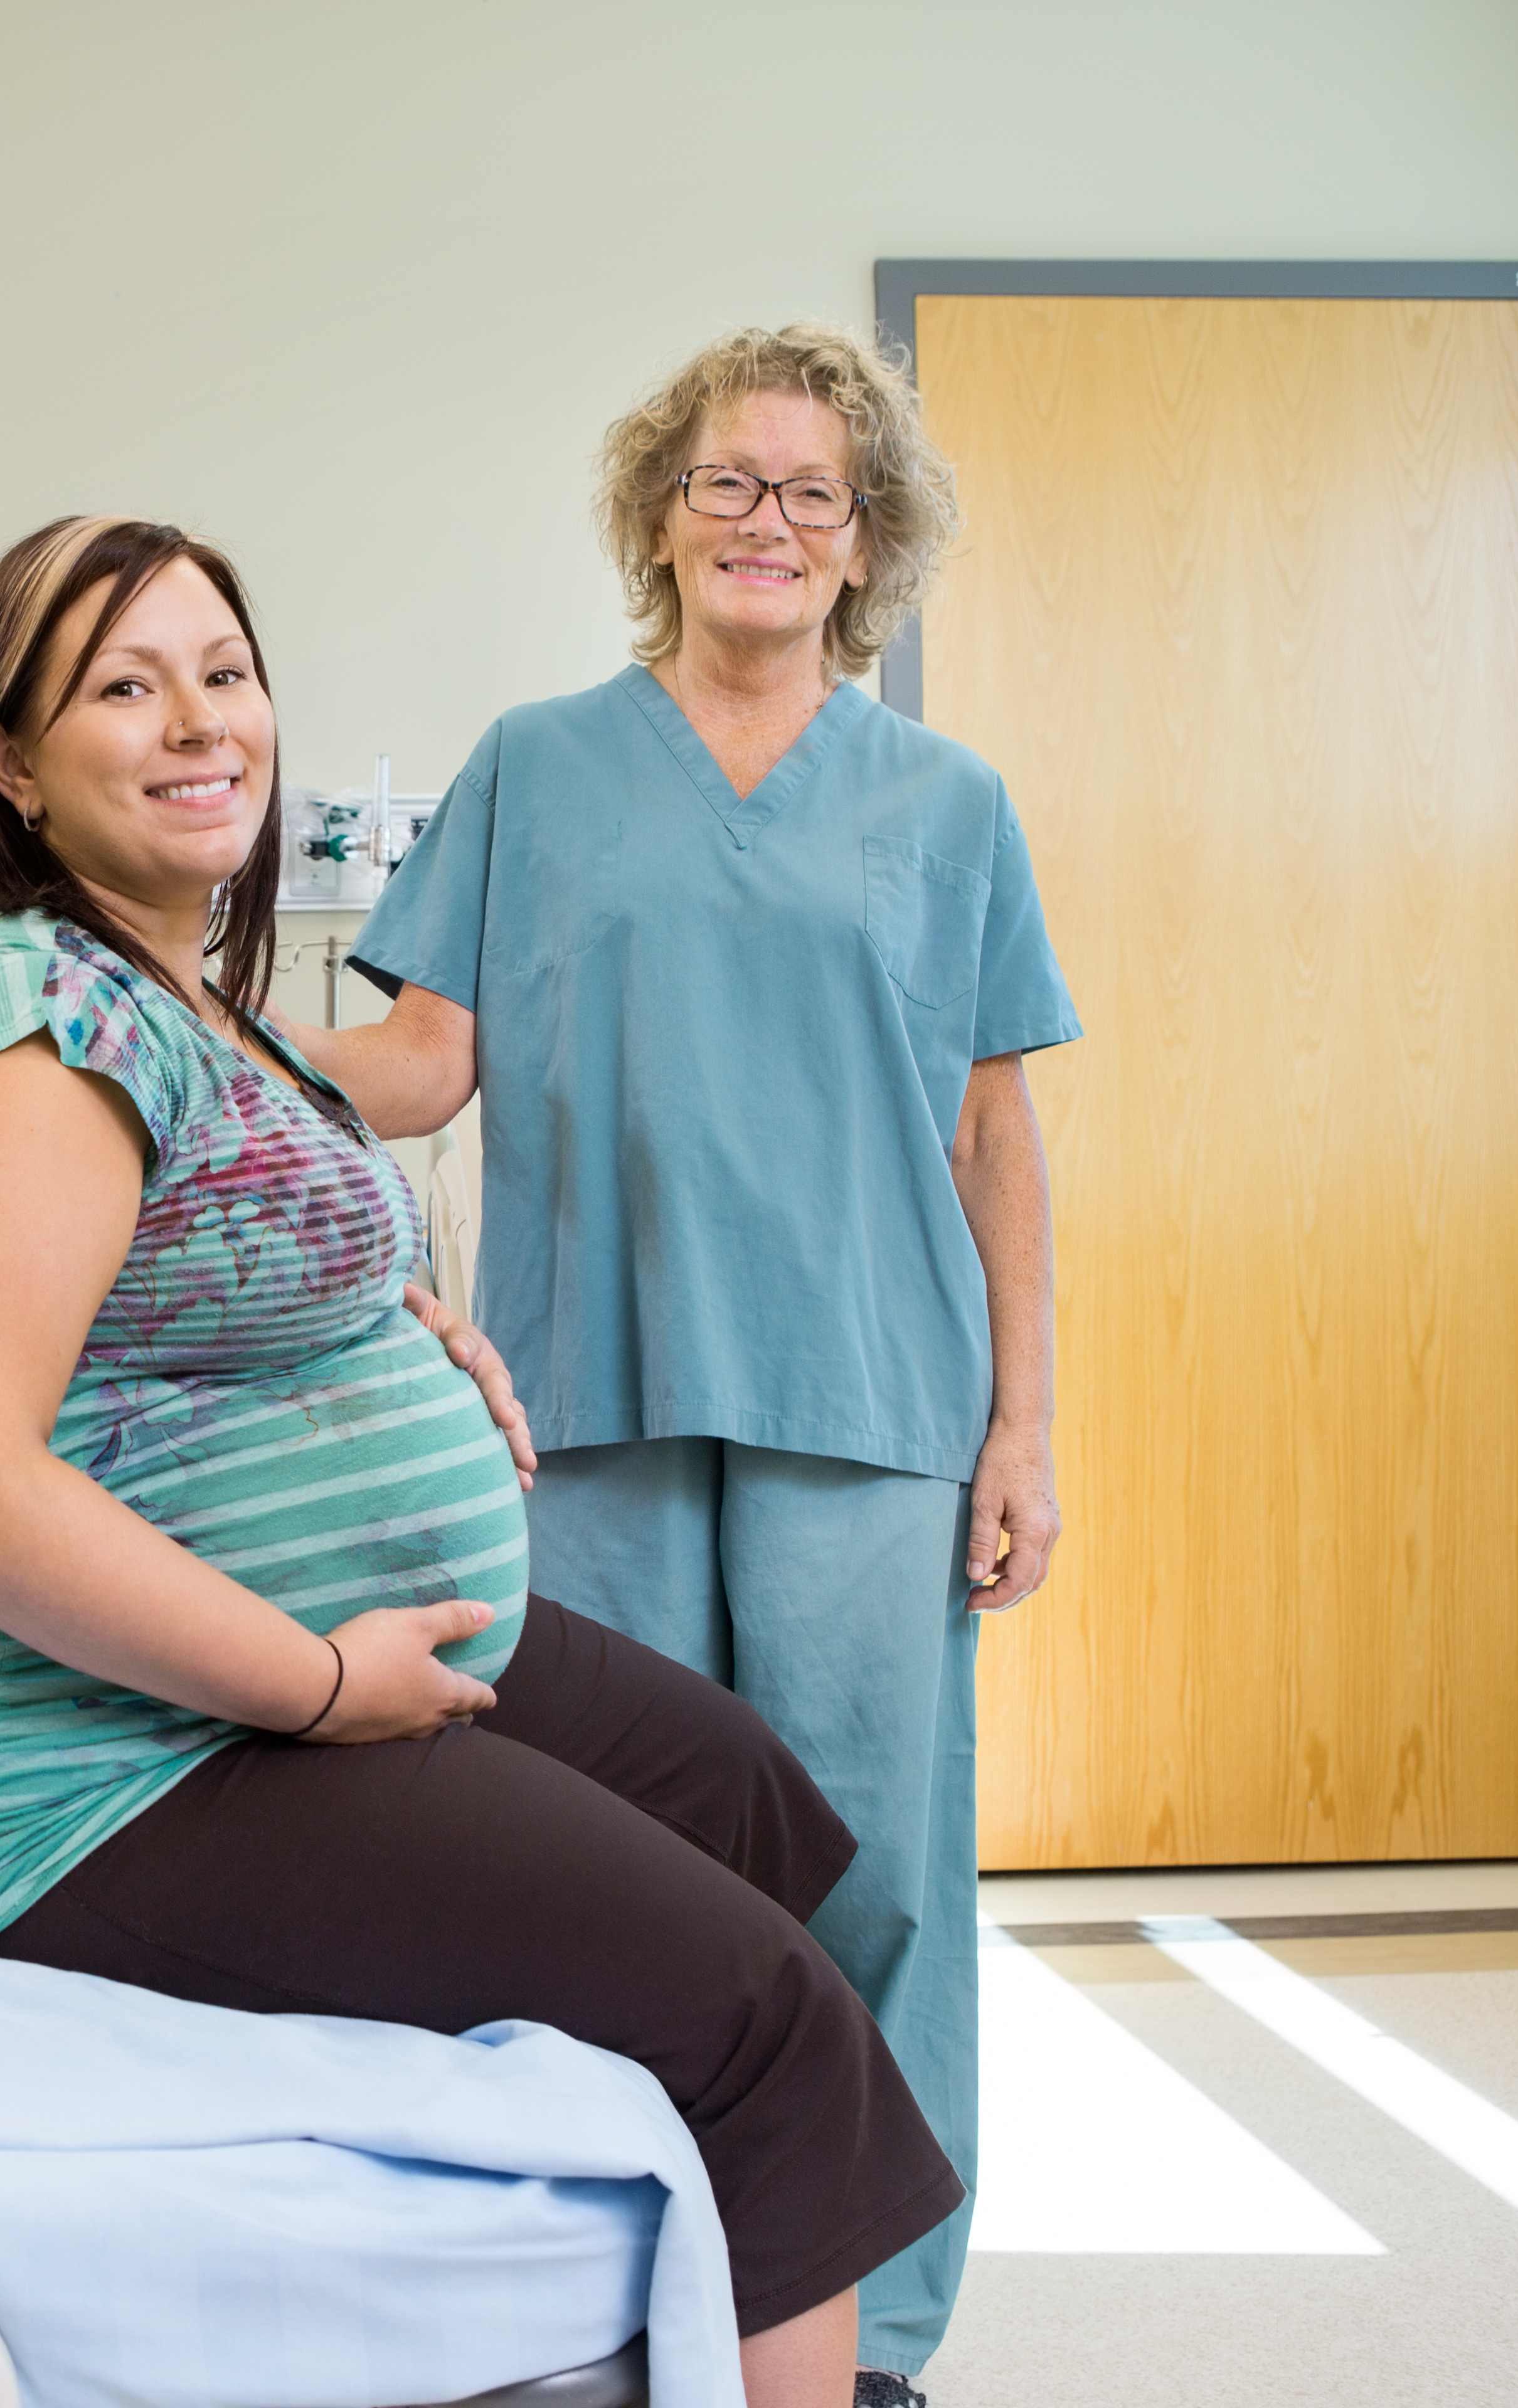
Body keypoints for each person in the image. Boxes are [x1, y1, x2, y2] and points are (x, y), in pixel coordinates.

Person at [0, 513, 966, 2408]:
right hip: (70, 1763)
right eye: (121, 685)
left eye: (223, 672)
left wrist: (405, 1333)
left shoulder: (192, 999)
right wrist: (318, 1683)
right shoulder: (30, 1020)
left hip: (263, 1655)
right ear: (11, 765)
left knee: (752, 1803)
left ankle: (628, 2308)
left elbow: (226, 1250)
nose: (198, 725)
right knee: (772, 2023)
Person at [296, 324, 1081, 2403]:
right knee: (598, 1879)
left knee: (872, 1878)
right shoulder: (539, 766)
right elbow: (427, 1059)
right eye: (727, 483)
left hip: (871, 1396)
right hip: (588, 1393)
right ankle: (596, 2300)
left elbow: (992, 1133)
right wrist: (208, 1040)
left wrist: (1025, 1424)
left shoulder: (943, 801)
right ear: (660, 518)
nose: (765, 521)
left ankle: (875, 2337)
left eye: (809, 493)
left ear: (863, 543)